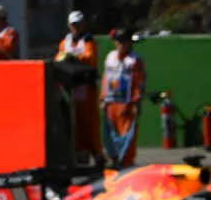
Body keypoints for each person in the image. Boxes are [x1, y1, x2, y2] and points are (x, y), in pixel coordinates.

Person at [56, 11, 103, 166]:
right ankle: (80, 153)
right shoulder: (65, 42)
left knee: (89, 122)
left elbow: (90, 57)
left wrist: (74, 58)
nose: (76, 28)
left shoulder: (89, 41)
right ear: (69, 25)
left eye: (78, 24)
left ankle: (97, 153)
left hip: (86, 86)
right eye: (73, 25)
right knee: (74, 122)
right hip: (71, 86)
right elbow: (59, 57)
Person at [101, 30, 147, 167]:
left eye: (123, 41)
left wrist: (136, 101)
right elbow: (106, 78)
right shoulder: (110, 57)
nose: (120, 44)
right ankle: (115, 161)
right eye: (118, 41)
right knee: (110, 135)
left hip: (127, 104)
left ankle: (127, 163)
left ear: (129, 43)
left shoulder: (135, 60)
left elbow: (140, 82)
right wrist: (103, 98)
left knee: (128, 136)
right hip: (111, 103)